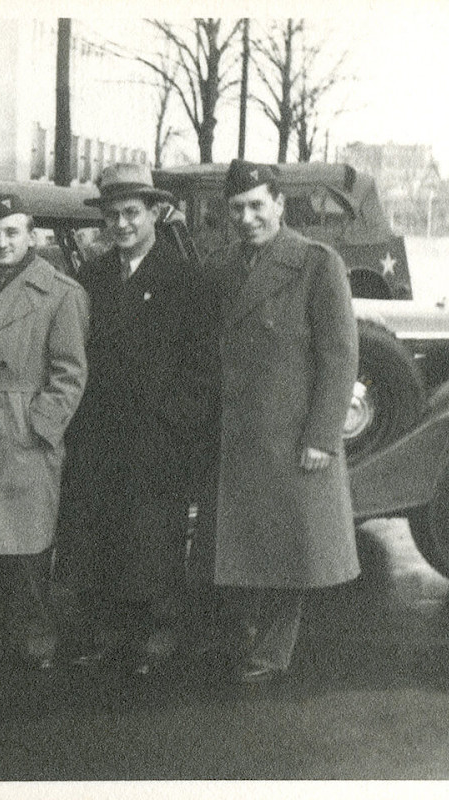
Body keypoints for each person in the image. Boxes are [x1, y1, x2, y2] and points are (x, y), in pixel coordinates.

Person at [55, 162, 221, 675]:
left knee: (151, 537)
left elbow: (202, 366)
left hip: (157, 436)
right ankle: (108, 635)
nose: (122, 225)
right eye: (113, 216)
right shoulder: (93, 277)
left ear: (155, 212)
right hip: (100, 433)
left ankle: (153, 635)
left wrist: (176, 422)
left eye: (133, 213)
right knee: (101, 532)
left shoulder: (184, 278)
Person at [206, 159, 360, 684]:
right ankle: (255, 635)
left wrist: (323, 435)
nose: (247, 218)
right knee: (248, 542)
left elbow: (339, 357)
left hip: (288, 430)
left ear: (279, 203)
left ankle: (273, 648)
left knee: (286, 545)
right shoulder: (226, 268)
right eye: (236, 208)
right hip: (239, 432)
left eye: (256, 205)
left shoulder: (317, 264)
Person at [0, 188, 88, 671]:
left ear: (32, 235)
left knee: (26, 548)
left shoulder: (60, 293)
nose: (1, 242)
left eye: (11, 232)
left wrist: (39, 426)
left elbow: (69, 372)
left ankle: (35, 641)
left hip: (21, 433)